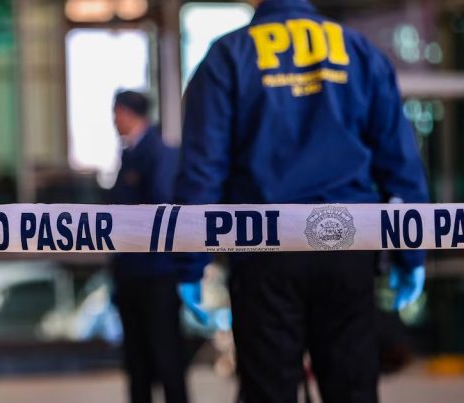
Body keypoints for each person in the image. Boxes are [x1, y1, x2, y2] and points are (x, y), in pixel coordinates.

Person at [175, 1, 429, 402]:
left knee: (268, 391)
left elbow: (204, 168)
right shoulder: (358, 50)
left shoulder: (229, 55)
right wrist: (411, 253)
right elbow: (398, 160)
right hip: (348, 243)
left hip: (264, 247)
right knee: (353, 389)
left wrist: (190, 261)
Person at [109, 90, 195, 403]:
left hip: (156, 273)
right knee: (137, 360)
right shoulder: (130, 154)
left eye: (116, 112)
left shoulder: (159, 153)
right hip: (131, 272)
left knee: (165, 354)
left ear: (128, 113)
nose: (114, 120)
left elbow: (163, 209)